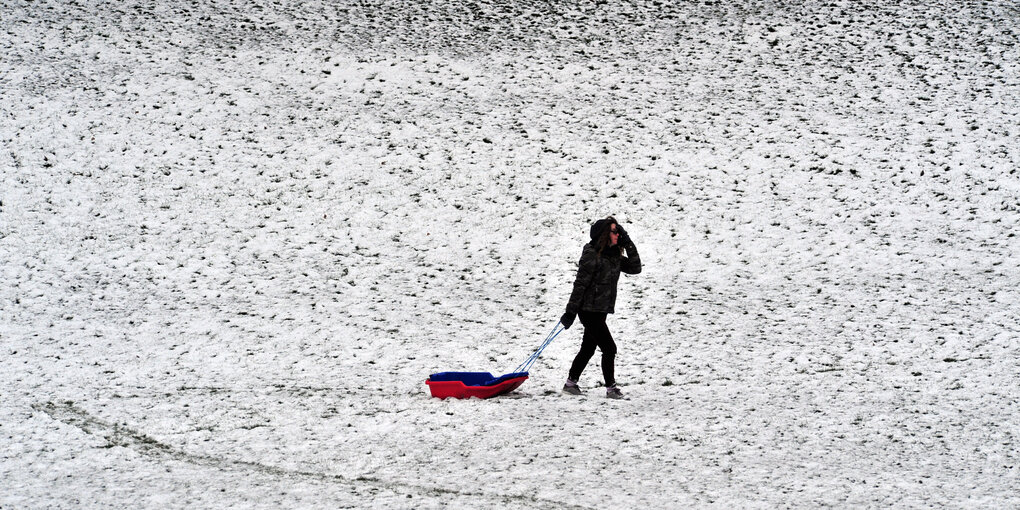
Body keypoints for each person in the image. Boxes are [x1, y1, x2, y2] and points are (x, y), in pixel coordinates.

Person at [560, 216, 641, 399]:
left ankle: (570, 383)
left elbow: (636, 267)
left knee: (588, 348)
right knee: (609, 348)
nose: (617, 234)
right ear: (604, 234)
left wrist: (627, 242)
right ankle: (611, 389)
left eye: (619, 231)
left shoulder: (615, 257)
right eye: (614, 231)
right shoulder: (592, 254)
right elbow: (580, 284)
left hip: (600, 311)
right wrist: (570, 313)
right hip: (588, 311)